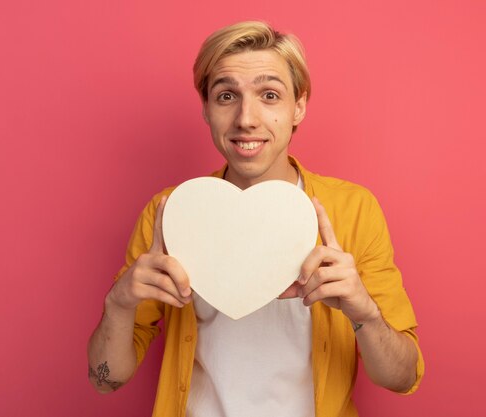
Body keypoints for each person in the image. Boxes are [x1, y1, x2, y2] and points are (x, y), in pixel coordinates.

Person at [88, 20, 424, 417]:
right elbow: (105, 378)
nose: (246, 118)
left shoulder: (354, 210)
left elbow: (402, 377)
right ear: (206, 109)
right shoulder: (171, 212)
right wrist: (119, 304)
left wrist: (363, 312)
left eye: (269, 95)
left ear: (298, 106)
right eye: (226, 95)